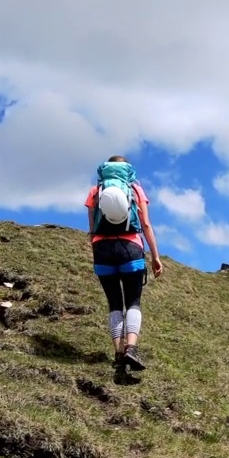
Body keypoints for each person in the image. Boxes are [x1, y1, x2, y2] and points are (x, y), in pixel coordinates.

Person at [85, 155, 163, 372]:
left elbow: (92, 230)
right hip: (131, 249)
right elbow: (145, 224)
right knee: (134, 302)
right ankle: (131, 348)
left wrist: (98, 253)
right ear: (127, 169)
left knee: (114, 304)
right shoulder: (136, 190)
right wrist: (155, 256)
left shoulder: (95, 192)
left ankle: (118, 353)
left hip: (102, 251)